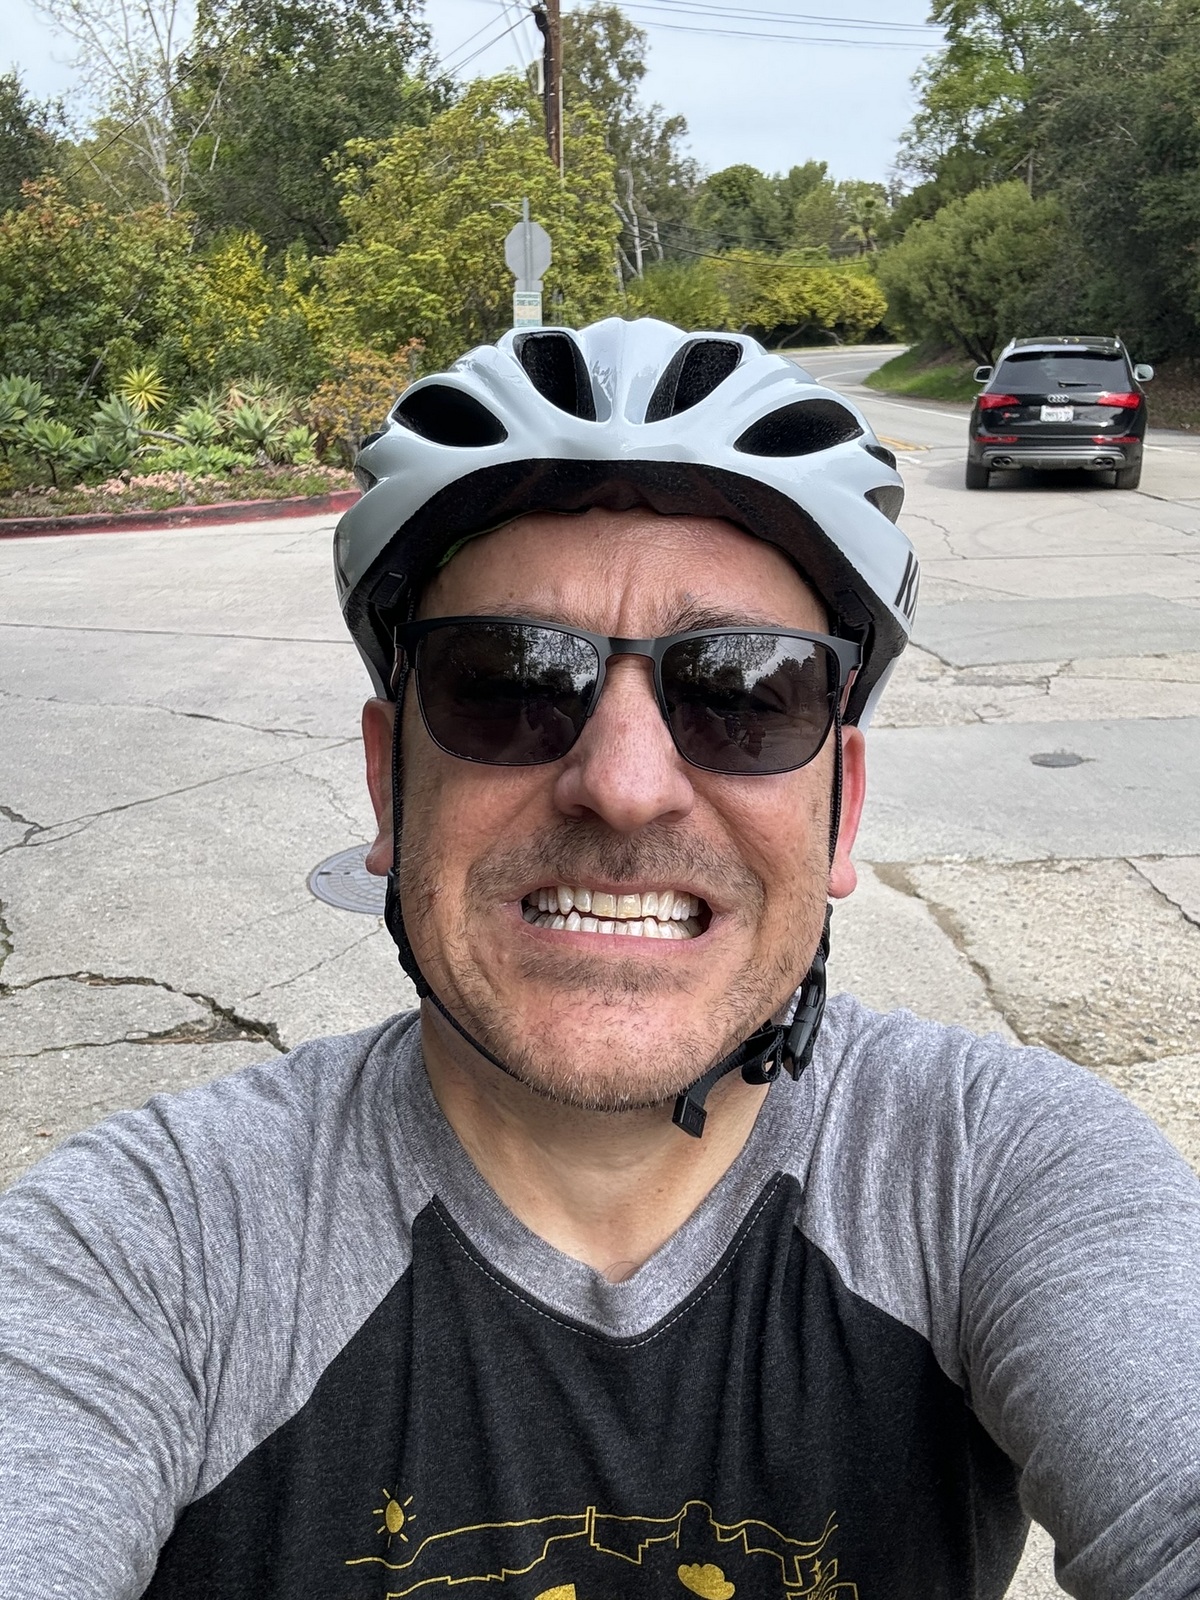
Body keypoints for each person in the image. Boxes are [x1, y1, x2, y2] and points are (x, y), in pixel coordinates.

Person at [1, 318, 1198, 1600]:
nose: (624, 787)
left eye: (741, 693)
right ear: (386, 783)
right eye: (509, 679)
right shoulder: (146, 1248)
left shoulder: (999, 1172)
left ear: (842, 810)